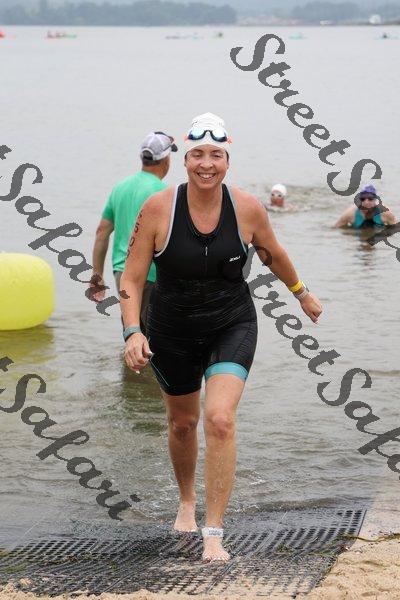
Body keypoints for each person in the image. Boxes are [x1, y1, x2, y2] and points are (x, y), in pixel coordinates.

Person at [119, 112, 322, 562]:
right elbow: (131, 278)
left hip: (231, 321)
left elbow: (273, 254)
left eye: (216, 155)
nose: (206, 164)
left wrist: (301, 293)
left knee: (220, 419)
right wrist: (133, 331)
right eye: (197, 155)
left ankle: (214, 530)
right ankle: (186, 501)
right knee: (183, 423)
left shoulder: (247, 207)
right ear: (184, 160)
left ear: (227, 160)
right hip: (171, 328)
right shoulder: (158, 208)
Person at [89, 131, 177, 332]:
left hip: (122, 273)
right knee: (154, 338)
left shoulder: (120, 188)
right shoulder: (165, 194)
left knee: (132, 332)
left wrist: (97, 274)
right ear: (166, 159)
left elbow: (102, 232)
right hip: (152, 276)